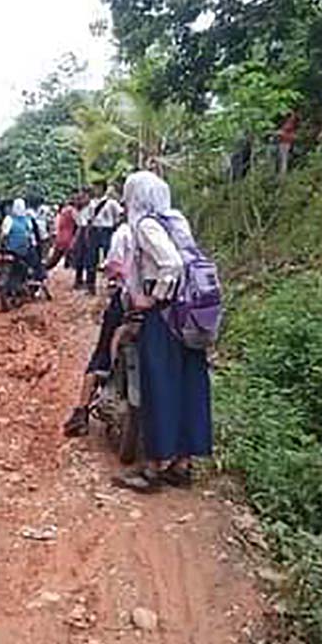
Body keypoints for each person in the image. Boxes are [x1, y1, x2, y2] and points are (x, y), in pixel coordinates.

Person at [112, 170, 212, 493]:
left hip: (165, 316)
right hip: (190, 317)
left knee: (159, 386)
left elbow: (172, 264)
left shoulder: (145, 225)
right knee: (189, 384)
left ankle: (154, 468)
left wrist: (151, 299)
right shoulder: (177, 220)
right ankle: (182, 464)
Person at [63, 220, 132, 436]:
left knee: (102, 352)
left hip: (127, 303)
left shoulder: (124, 232)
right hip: (163, 309)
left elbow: (112, 266)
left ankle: (81, 411)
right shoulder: (168, 228)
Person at [85, 180, 122, 294]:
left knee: (109, 255)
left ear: (103, 188)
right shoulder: (91, 203)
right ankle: (90, 284)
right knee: (91, 258)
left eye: (98, 187)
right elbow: (89, 219)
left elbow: (120, 214)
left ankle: (112, 281)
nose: (96, 190)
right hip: (95, 230)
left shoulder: (111, 203)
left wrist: (115, 226)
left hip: (107, 230)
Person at [1, 198, 44, 278]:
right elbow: (30, 235)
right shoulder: (28, 220)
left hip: (11, 250)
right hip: (24, 250)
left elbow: (4, 235)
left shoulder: (8, 219)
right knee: (36, 263)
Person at [45, 194, 77, 270]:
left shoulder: (63, 211)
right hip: (68, 237)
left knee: (55, 257)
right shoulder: (72, 211)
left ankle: (43, 269)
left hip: (60, 236)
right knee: (70, 259)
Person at [71, 187, 94, 290]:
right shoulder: (77, 209)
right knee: (79, 257)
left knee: (89, 258)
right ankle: (78, 279)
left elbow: (89, 221)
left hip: (88, 231)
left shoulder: (92, 207)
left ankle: (89, 282)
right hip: (80, 230)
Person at [277, 111, 299, 176]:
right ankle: (282, 174)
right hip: (284, 142)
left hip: (285, 142)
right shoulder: (288, 122)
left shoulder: (290, 122)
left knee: (284, 159)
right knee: (282, 159)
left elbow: (285, 131)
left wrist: (279, 133)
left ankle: (282, 175)